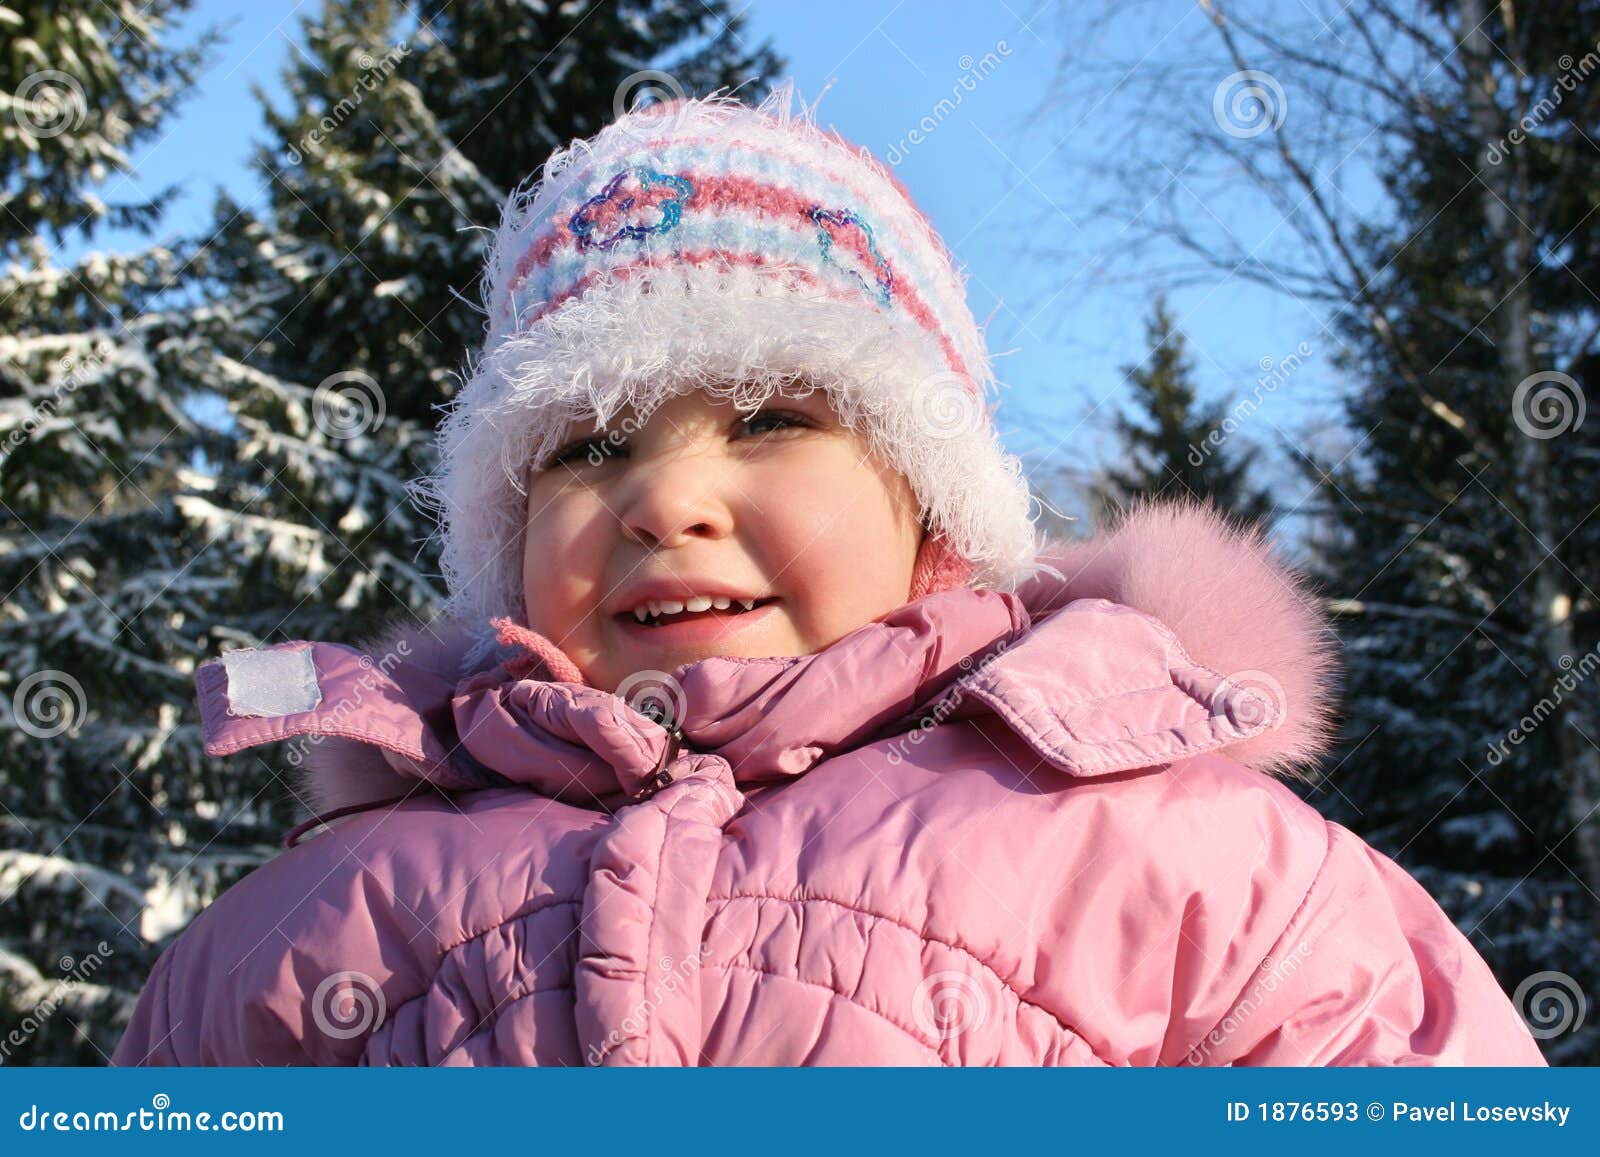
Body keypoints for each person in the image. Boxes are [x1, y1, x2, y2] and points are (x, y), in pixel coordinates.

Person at [112, 83, 1546, 1067]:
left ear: (934, 512)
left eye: (773, 419)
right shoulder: (320, 920)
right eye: (588, 443)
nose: (666, 496)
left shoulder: (1186, 862)